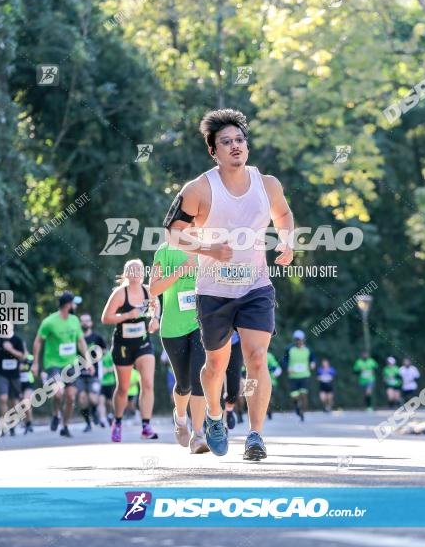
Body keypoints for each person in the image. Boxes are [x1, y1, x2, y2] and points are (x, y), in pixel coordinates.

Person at [164, 108, 294, 460]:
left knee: (256, 358)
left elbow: (283, 214)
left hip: (256, 287)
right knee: (216, 365)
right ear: (214, 151)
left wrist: (287, 240)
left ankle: (256, 436)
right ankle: (214, 416)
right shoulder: (199, 189)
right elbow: (173, 233)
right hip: (213, 291)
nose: (235, 146)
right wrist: (208, 248)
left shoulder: (267, 184)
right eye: (226, 142)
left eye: (239, 140)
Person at [150, 241, 209, 453]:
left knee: (198, 378)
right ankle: (181, 418)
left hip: (199, 324)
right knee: (183, 384)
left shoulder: (206, 248)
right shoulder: (165, 251)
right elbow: (154, 289)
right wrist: (181, 270)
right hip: (173, 328)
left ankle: (199, 434)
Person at [101, 259, 160, 442]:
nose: (135, 273)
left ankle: (146, 425)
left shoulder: (148, 291)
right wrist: (127, 315)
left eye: (138, 270)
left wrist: (155, 319)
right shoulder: (120, 294)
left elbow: (156, 306)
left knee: (148, 383)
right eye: (131, 270)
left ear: (143, 273)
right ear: (126, 274)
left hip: (143, 343)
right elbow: (106, 318)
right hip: (123, 345)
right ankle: (117, 423)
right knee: (123, 388)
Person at [32, 291, 89, 438]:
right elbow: (38, 341)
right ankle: (56, 413)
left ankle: (65, 426)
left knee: (70, 397)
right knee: (58, 393)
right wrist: (35, 363)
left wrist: (88, 360)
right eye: (74, 303)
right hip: (53, 364)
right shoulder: (49, 322)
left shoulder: (75, 320)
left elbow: (81, 341)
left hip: (70, 364)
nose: (75, 306)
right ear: (68, 304)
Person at [0, 323, 27, 437]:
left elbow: (22, 356)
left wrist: (10, 349)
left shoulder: (17, 340)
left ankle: (12, 425)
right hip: (1, 373)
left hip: (14, 375)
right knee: (2, 398)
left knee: (14, 401)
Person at [76, 313, 108, 432]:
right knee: (82, 399)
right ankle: (88, 423)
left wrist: (96, 356)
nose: (85, 323)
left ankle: (95, 413)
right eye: (82, 321)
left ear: (91, 323)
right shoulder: (77, 338)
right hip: (79, 373)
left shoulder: (97, 337)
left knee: (93, 398)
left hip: (94, 373)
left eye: (87, 320)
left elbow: (104, 350)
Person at [284, 330, 316, 421]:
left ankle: (302, 413)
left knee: (304, 395)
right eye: (297, 339)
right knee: (295, 397)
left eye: (300, 339)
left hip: (304, 375)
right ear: (294, 340)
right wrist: (287, 367)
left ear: (303, 339)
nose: (298, 341)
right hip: (293, 377)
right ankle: (297, 407)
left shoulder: (308, 349)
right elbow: (284, 360)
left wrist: (313, 363)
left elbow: (313, 359)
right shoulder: (289, 349)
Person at [224, 330, 244, 429]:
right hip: (211, 341)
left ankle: (230, 410)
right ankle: (213, 419)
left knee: (235, 390)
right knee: (214, 384)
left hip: (234, 343)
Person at [18, 340, 36, 434]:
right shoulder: (16, 357)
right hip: (19, 384)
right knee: (22, 405)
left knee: (26, 402)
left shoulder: (30, 357)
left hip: (29, 383)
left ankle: (29, 423)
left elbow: (25, 368)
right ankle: (27, 423)